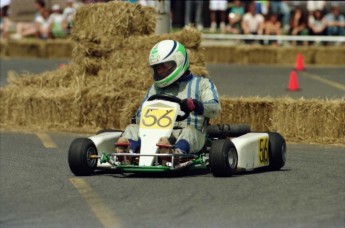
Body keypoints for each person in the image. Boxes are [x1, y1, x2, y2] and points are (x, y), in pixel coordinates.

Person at [116, 40, 221, 165]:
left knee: (189, 131)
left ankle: (176, 154)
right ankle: (128, 152)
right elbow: (139, 117)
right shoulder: (155, 88)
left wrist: (197, 105)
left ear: (179, 61)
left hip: (186, 132)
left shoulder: (202, 84)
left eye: (164, 66)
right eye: (157, 67)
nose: (160, 71)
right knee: (131, 128)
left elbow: (215, 109)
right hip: (154, 132)